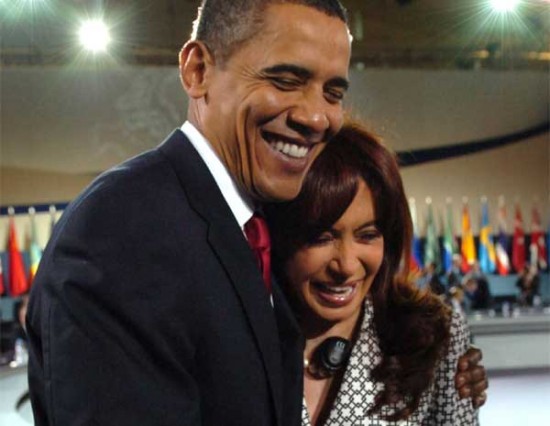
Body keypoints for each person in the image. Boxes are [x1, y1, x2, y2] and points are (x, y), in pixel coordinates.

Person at [26, 1, 486, 425]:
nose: (315, 116)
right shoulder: (123, 231)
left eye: (332, 91)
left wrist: (436, 358)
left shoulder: (253, 224)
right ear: (198, 69)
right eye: (286, 80)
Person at [266, 122, 483, 425]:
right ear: (279, 236)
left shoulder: (433, 338)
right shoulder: (236, 335)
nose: (346, 266)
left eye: (367, 235)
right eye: (321, 238)